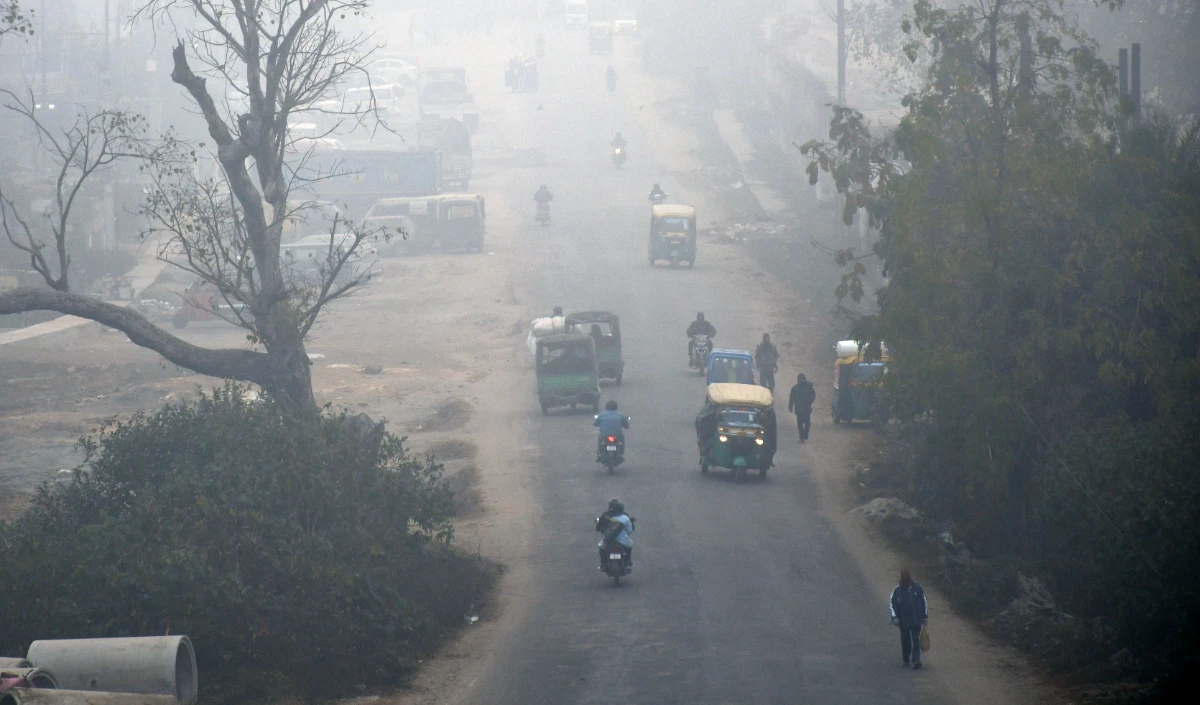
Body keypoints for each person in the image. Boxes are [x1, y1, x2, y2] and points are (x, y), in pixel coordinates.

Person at [890, 568, 929, 669]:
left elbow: (923, 602)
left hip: (916, 621)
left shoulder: (918, 588)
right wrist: (895, 618)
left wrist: (925, 616)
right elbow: (893, 605)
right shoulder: (897, 591)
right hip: (903, 623)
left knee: (916, 641)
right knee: (906, 642)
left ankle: (916, 660)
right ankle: (906, 659)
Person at [595, 498, 634, 570]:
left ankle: (603, 564)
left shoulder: (605, 516)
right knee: (629, 545)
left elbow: (598, 528)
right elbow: (629, 530)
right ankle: (627, 562)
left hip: (607, 539)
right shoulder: (625, 517)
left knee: (601, 547)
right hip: (623, 540)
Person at [788, 373, 817, 442]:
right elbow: (792, 398)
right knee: (801, 424)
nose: (802, 380)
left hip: (805, 408)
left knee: (806, 423)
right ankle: (802, 437)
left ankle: (805, 434)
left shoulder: (808, 387)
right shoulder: (796, 388)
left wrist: (809, 401)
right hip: (800, 409)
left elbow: (813, 395)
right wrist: (790, 406)